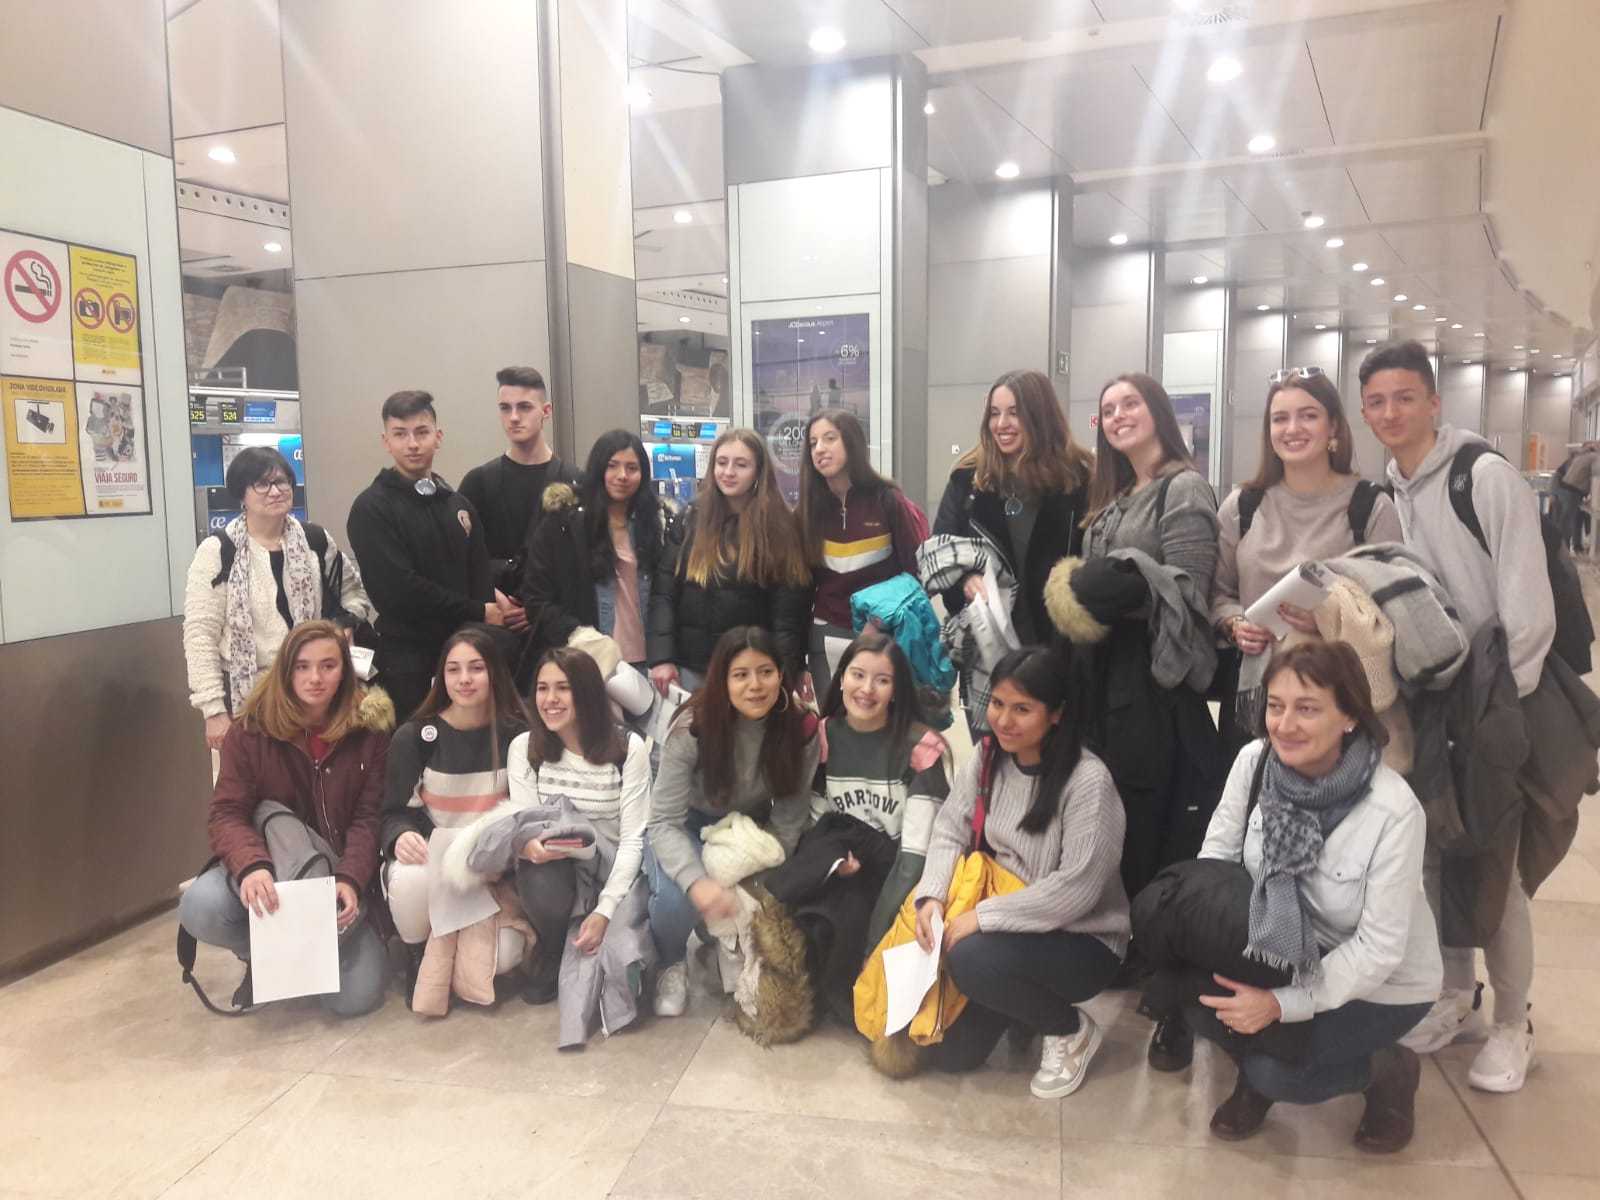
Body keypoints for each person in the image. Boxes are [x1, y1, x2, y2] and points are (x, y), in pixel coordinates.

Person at [1358, 339, 1554, 1092]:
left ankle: (1512, 1022)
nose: (1390, 413)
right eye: (1377, 401)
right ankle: (1454, 992)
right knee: (1435, 855)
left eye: (1405, 397)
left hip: (1494, 702)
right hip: (1432, 700)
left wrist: (1501, 715)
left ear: (1434, 402)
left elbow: (1529, 611)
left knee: (1497, 869)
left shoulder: (1485, 477)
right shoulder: (1393, 489)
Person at [1182, 641, 1441, 1152]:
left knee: (1279, 1072)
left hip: (1381, 984)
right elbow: (1217, 857)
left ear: (1350, 717)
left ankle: (1387, 1069)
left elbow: (1378, 950)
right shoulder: (1255, 762)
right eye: (1276, 706)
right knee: (1195, 1004)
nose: (1284, 725)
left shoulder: (1393, 811)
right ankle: (1257, 1063)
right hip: (1281, 948)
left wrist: (1280, 1004)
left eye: (1307, 709)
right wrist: (1209, 942)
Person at [911, 646, 1129, 1098]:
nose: (1004, 720)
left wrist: (983, 918)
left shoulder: (1088, 780)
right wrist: (932, 897)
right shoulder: (988, 757)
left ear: (1056, 714)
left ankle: (1069, 1029)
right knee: (948, 1055)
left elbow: (1076, 888)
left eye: (1022, 709)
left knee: (970, 959)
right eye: (997, 703)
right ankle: (1022, 1008)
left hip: (1082, 939)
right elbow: (950, 829)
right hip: (1007, 924)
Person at [1045, 372, 1225, 902]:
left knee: (1144, 816)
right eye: (1109, 410)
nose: (1118, 416)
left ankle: (1144, 928)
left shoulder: (1183, 487)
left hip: (1152, 681)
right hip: (1099, 675)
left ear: (1158, 413)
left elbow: (1189, 592)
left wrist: (1112, 582)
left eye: (1130, 404)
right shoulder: (1113, 495)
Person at [178, 620, 391, 1016]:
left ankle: (306, 958)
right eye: (302, 666)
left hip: (333, 878)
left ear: (344, 671)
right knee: (200, 905)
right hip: (271, 870)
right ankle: (262, 957)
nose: (315, 678)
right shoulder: (250, 732)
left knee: (354, 999)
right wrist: (251, 866)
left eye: (328, 666)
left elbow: (368, 818)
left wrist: (350, 879)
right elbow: (227, 813)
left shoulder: (369, 730)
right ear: (286, 670)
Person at [763, 628, 949, 1023]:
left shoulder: (921, 748)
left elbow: (913, 859)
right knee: (813, 911)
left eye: (882, 680)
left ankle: (848, 992)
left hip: (895, 873)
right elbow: (811, 823)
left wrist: (874, 944)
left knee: (848, 919)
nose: (866, 689)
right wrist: (829, 864)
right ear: (841, 677)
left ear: (897, 690)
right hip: (838, 860)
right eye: (858, 675)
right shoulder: (824, 736)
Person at [1211, 370, 1402, 751]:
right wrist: (1235, 623)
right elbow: (1217, 593)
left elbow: (1393, 608)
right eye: (1280, 418)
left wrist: (1328, 619)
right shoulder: (1242, 506)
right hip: (1255, 697)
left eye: (1308, 416)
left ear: (1334, 427)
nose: (1292, 428)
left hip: (1339, 703)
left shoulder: (1370, 507)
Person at [645, 625, 821, 1017]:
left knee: (770, 893)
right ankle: (671, 962)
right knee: (676, 899)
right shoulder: (692, 727)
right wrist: (698, 882)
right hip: (688, 823)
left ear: (781, 675)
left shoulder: (801, 727)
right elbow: (663, 822)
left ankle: (723, 945)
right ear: (722, 680)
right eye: (741, 674)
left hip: (749, 826)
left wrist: (753, 875)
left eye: (766, 672)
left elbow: (789, 819)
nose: (755, 686)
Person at [184, 446, 375, 750]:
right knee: (252, 778)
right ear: (241, 493)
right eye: (262, 484)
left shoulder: (314, 540)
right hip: (249, 697)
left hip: (316, 692)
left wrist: (342, 625)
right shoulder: (218, 551)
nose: (275, 491)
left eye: (282, 481)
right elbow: (200, 634)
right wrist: (213, 710)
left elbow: (354, 594)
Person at [380, 627, 530, 997]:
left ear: (494, 673)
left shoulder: (517, 735)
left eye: (476, 668)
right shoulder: (414, 738)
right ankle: (417, 953)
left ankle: (458, 946)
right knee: (409, 877)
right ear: (441, 676)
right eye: (453, 669)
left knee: (505, 958)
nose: (464, 679)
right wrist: (400, 836)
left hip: (492, 873)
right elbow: (391, 812)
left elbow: (527, 813)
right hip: (433, 866)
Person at [347, 390, 509, 720]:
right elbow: (399, 593)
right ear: (386, 442)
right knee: (417, 745)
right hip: (409, 664)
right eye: (400, 434)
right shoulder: (371, 508)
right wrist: (478, 610)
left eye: (422, 432)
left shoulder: (459, 505)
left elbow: (478, 578)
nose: (412, 444)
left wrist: (482, 615)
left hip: (467, 657)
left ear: (438, 437)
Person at [507, 647, 651, 1010]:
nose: (550, 700)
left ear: (586, 692)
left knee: (621, 974)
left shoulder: (627, 747)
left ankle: (597, 932)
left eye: (563, 688)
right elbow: (527, 824)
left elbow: (634, 840)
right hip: (559, 868)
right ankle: (553, 948)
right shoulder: (525, 748)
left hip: (614, 870)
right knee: (538, 869)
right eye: (542, 689)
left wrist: (605, 909)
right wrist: (529, 846)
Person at [933, 368, 1094, 647]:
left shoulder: (1078, 481)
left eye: (1014, 413)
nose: (1001, 424)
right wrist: (964, 580)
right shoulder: (967, 479)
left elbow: (1094, 560)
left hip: (1057, 644)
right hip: (987, 644)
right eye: (994, 413)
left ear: (1040, 417)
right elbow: (941, 549)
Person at [653, 428, 812, 692]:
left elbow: (788, 617)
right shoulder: (689, 519)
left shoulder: (779, 528)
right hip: (692, 668)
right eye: (722, 462)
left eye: (741, 465)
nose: (728, 472)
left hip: (753, 670)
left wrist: (785, 673)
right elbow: (664, 594)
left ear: (758, 471)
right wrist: (661, 657)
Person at [521, 429, 673, 677]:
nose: (622, 476)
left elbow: (667, 595)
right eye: (612, 466)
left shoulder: (658, 523)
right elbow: (536, 598)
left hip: (648, 663)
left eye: (632, 468)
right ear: (598, 468)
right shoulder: (564, 524)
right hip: (587, 660)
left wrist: (665, 654)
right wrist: (578, 634)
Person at [798, 408, 926, 695]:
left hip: (882, 636)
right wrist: (798, 660)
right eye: (813, 443)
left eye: (830, 438)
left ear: (852, 442)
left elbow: (916, 572)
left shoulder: (888, 500)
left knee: (880, 719)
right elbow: (801, 588)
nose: (819, 449)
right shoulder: (807, 512)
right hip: (826, 636)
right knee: (833, 720)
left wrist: (879, 621)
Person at [458, 366, 578, 596]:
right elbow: (460, 560)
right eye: (505, 408)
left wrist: (539, 607)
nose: (513, 417)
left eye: (524, 407)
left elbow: (582, 565)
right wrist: (494, 601)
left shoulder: (574, 482)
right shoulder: (477, 483)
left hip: (554, 611)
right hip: (492, 610)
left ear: (546, 411)